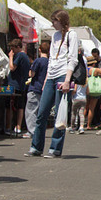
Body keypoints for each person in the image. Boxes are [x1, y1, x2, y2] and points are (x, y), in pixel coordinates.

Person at [26, 9, 78, 158]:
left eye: (55, 20)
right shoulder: (54, 36)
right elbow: (51, 60)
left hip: (63, 74)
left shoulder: (71, 35)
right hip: (51, 76)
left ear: (62, 20)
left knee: (59, 114)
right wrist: (46, 79)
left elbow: (73, 58)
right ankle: (36, 147)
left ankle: (55, 148)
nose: (53, 23)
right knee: (41, 112)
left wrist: (67, 80)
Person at [5, 38, 32, 137]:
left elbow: (12, 68)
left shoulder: (19, 55)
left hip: (14, 84)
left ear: (17, 47)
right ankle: (18, 126)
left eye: (13, 49)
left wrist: (10, 57)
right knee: (20, 106)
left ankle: (8, 127)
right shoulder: (25, 56)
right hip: (21, 85)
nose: (12, 51)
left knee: (10, 106)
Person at [25, 42, 49, 137]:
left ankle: (32, 131)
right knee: (40, 111)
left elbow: (32, 74)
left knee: (31, 110)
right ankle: (39, 130)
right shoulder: (49, 62)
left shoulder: (38, 61)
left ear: (39, 49)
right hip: (44, 88)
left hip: (35, 87)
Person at [69, 46, 88, 132]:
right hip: (83, 98)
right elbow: (88, 92)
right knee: (81, 114)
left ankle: (72, 127)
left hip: (76, 98)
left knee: (74, 113)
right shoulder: (85, 81)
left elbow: (74, 90)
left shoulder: (77, 81)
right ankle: (81, 127)